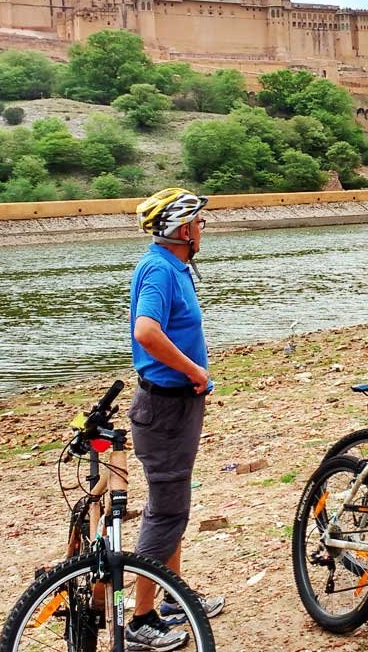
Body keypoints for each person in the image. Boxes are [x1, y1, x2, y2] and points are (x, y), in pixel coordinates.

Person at [125, 187, 225, 651]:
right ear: (183, 229)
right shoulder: (160, 269)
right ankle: (141, 618)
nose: (203, 229)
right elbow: (146, 331)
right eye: (199, 223)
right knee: (166, 511)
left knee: (174, 506)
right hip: (164, 407)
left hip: (175, 405)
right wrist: (194, 370)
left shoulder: (173, 266)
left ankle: (171, 596)